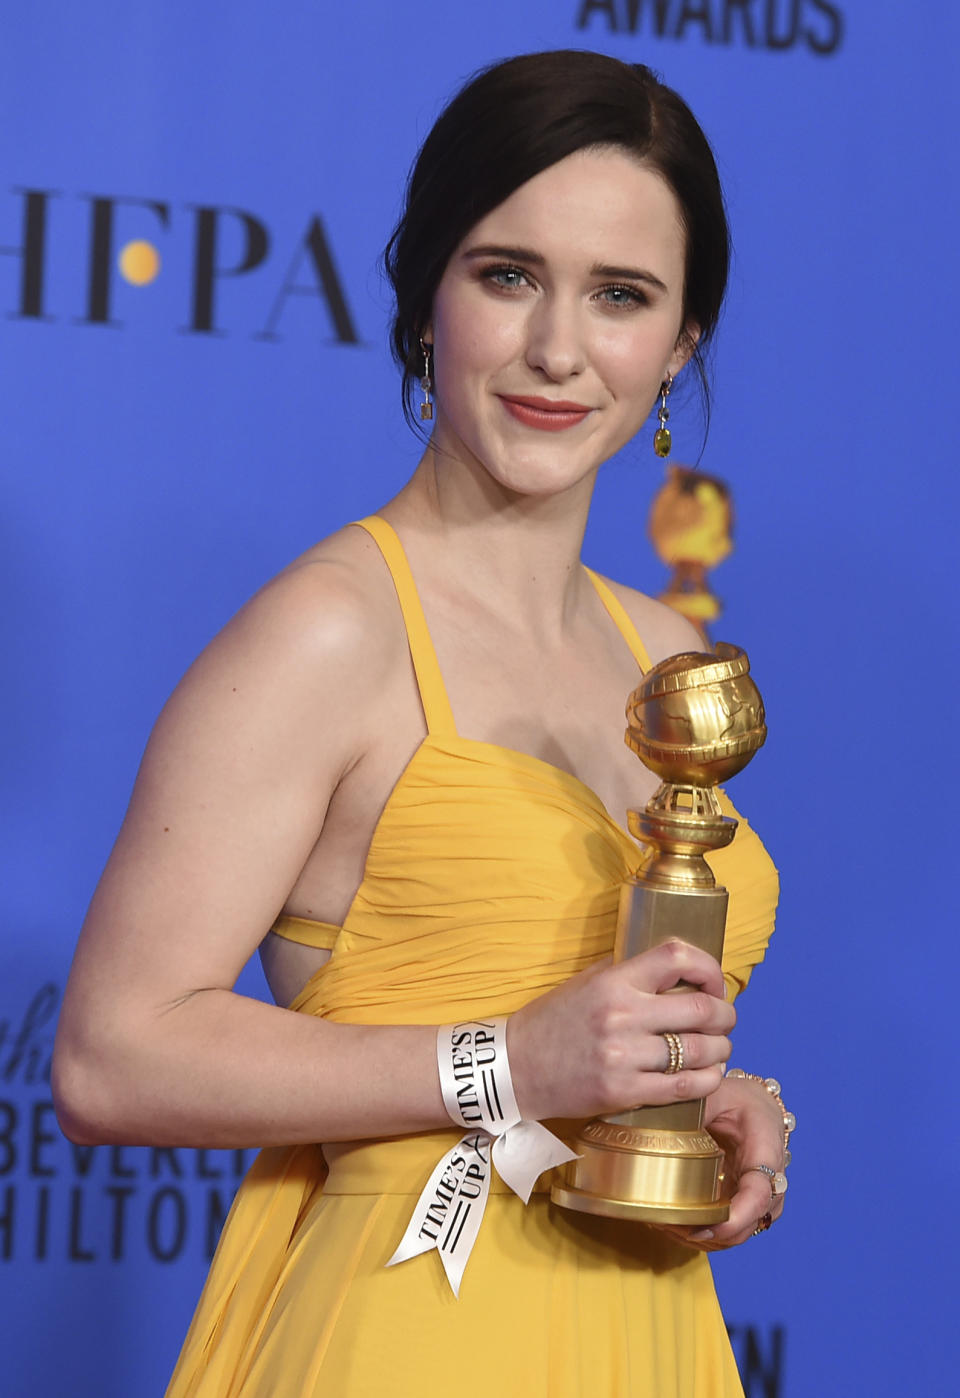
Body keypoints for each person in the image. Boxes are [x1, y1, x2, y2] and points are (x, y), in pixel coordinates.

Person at [53, 50, 785, 1397]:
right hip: (412, 1327)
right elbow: (111, 1053)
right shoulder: (331, 631)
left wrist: (704, 1099)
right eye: (508, 274)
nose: (558, 349)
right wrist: (511, 1059)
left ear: (681, 343)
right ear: (425, 292)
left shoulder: (671, 653)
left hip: (645, 1332)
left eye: (621, 296)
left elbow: (608, 1016)